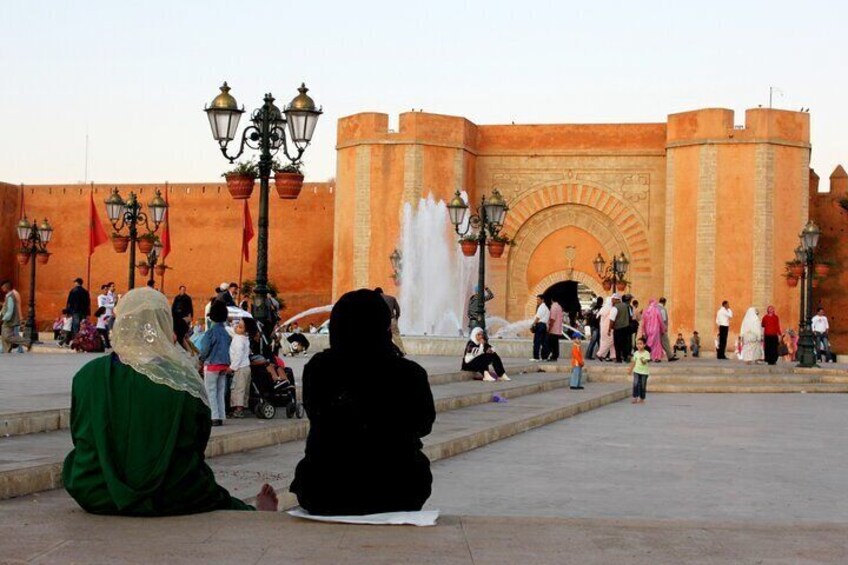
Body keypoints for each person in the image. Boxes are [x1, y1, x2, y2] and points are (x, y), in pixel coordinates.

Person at [62, 287, 277, 515]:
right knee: (200, 484)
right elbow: (197, 443)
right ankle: (256, 512)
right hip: (170, 495)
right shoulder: (183, 380)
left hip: (96, 491)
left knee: (77, 464)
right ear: (164, 325)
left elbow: (80, 433)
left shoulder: (87, 376)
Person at [290, 289, 435, 515]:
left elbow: (316, 413)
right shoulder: (410, 374)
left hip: (325, 490)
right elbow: (424, 425)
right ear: (384, 325)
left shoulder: (319, 369)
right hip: (399, 490)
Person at [200, 300, 231, 426]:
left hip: (212, 364)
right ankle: (221, 415)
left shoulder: (210, 332)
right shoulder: (226, 333)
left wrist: (201, 359)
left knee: (210, 390)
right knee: (220, 390)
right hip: (224, 364)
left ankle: (213, 417)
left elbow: (205, 349)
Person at [228, 319, 251, 418]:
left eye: (240, 327)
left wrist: (232, 367)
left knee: (238, 389)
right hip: (246, 367)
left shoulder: (239, 340)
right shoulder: (244, 338)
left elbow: (238, 355)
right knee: (244, 388)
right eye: (237, 325)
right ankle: (241, 408)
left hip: (240, 368)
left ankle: (238, 410)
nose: (237, 327)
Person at [1, 280, 31, 352]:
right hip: (8, 320)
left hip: (9, 321)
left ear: (6, 287)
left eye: (2, 287)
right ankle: (6, 349)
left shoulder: (10, 297)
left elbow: (10, 310)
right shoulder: (8, 296)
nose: (2, 288)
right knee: (5, 336)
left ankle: (27, 342)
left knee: (8, 337)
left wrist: (4, 319)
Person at [375, 287, 406, 356]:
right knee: (396, 335)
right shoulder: (392, 298)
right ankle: (402, 351)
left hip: (380, 321)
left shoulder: (375, 299)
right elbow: (397, 309)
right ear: (382, 292)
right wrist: (396, 318)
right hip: (392, 319)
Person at [609, 293, 631, 363]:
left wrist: (609, 328)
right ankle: (626, 357)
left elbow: (612, 319)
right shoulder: (626, 306)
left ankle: (618, 359)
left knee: (617, 344)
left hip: (618, 328)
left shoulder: (615, 308)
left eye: (612, 299)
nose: (612, 301)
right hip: (626, 327)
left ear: (616, 299)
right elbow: (630, 316)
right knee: (625, 343)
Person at [594, 296, 616, 362]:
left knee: (606, 341)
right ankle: (599, 354)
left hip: (602, 327)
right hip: (609, 327)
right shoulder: (611, 308)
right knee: (610, 341)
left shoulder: (603, 308)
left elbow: (597, 316)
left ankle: (613, 356)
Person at [630, 337, 651, 404]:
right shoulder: (636, 353)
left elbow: (645, 361)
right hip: (636, 371)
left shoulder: (646, 353)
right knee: (635, 384)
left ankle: (642, 398)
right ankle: (635, 397)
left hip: (644, 372)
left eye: (640, 344)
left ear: (644, 345)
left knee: (642, 385)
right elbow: (633, 362)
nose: (639, 345)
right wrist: (630, 369)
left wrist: (643, 360)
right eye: (637, 344)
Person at [531, 295, 550, 361]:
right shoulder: (545, 307)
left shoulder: (542, 307)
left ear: (542, 300)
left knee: (537, 341)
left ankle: (536, 357)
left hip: (540, 325)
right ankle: (544, 357)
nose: (537, 301)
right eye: (537, 299)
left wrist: (533, 324)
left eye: (538, 299)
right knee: (543, 342)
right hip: (543, 326)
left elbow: (538, 317)